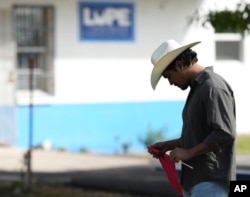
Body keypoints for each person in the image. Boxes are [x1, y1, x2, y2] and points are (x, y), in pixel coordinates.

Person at [148, 39, 236, 197]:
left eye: (168, 76)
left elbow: (224, 133)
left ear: (180, 65)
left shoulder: (213, 86)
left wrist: (188, 152)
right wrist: (168, 145)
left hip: (211, 182)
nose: (170, 83)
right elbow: (199, 134)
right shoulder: (198, 88)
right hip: (197, 181)